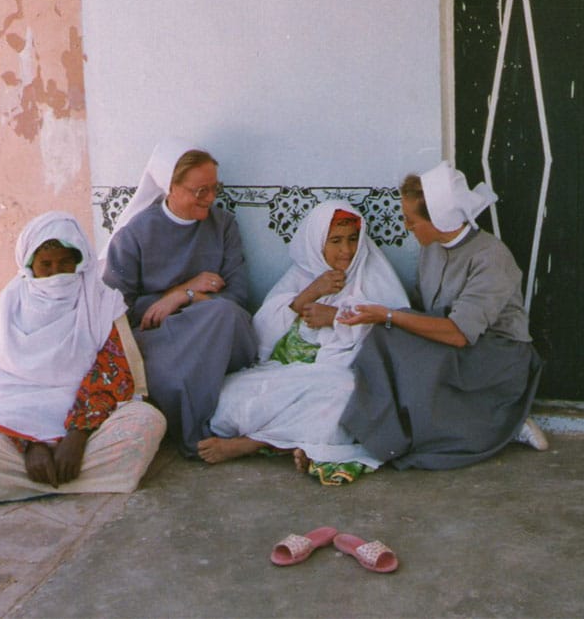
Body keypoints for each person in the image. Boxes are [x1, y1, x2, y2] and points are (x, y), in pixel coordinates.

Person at [0, 212, 166, 513]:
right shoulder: (11, 302)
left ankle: (15, 483)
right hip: (15, 424)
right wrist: (29, 443)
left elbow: (115, 373)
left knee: (146, 422)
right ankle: (73, 479)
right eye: (46, 265)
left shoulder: (100, 301)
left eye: (66, 262)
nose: (56, 273)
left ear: (81, 262)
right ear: (29, 266)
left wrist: (77, 436)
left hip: (87, 426)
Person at [338, 162, 547, 471]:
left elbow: (458, 334)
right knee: (385, 339)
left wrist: (388, 315)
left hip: (497, 356)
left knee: (415, 353)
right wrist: (381, 317)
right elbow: (423, 311)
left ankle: (502, 421)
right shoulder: (432, 247)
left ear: (438, 220)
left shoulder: (491, 256)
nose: (407, 227)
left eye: (411, 220)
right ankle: (381, 435)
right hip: (453, 343)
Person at [199, 201, 410, 484]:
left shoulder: (372, 274)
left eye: (352, 239)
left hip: (339, 375)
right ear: (316, 242)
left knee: (345, 401)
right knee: (228, 398)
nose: (346, 250)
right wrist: (309, 294)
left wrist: (336, 317)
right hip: (286, 373)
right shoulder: (302, 274)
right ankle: (290, 441)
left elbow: (393, 332)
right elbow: (262, 332)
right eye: (335, 241)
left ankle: (257, 443)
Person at [103, 138, 258, 457]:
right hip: (161, 338)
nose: (210, 199)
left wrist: (182, 298)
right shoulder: (134, 235)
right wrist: (183, 289)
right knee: (169, 370)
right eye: (200, 191)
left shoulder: (223, 224)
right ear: (170, 187)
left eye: (215, 189)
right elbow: (120, 311)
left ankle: (192, 429)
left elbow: (238, 297)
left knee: (222, 315)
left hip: (222, 331)